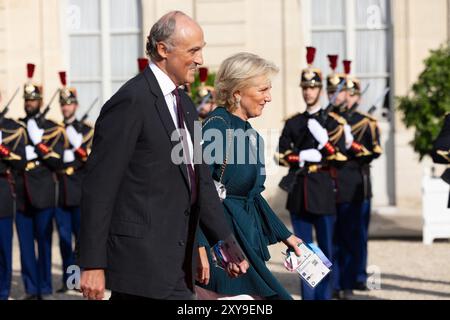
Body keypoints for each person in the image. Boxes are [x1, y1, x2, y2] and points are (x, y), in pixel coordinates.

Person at [78, 11, 248, 301]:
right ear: (162, 50)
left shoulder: (186, 104)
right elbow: (99, 187)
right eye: (193, 50)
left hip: (176, 262)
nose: (200, 59)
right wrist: (92, 263)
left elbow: (200, 182)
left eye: (201, 49)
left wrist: (225, 242)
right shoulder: (131, 100)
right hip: (139, 266)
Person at [195, 52, 302, 300]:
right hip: (222, 245)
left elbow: (252, 196)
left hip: (245, 237)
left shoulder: (250, 133)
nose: (269, 97)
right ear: (237, 92)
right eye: (263, 89)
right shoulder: (217, 126)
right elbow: (196, 191)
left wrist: (285, 235)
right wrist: (201, 247)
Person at [276, 47, 347, 300]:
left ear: (320, 90)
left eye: (313, 87)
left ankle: (325, 297)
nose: (308, 92)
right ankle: (309, 297)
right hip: (299, 191)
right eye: (305, 87)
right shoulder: (293, 122)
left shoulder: (333, 123)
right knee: (301, 250)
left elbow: (340, 156)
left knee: (326, 248)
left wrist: (324, 143)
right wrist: (302, 156)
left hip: (324, 190)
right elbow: (281, 155)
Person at [15, 63, 66, 300]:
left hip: (44, 190)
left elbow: (56, 162)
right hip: (22, 192)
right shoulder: (16, 127)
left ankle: (45, 287)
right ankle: (30, 288)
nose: (29, 103)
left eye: (33, 100)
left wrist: (38, 145)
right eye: (27, 100)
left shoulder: (52, 129)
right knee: (25, 246)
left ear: (40, 101)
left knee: (44, 243)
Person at [340, 67, 382, 291]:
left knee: (359, 232)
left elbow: (374, 151)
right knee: (341, 234)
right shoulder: (333, 120)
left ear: (358, 96)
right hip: (338, 182)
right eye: (345, 94)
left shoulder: (367, 122)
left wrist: (352, 145)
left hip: (359, 181)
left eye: (352, 94)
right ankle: (342, 277)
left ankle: (358, 274)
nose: (347, 98)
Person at [55, 72, 94, 293]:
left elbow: (92, 160)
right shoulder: (55, 131)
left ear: (76, 106)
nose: (66, 108)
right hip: (62, 194)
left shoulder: (86, 131)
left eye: (69, 104)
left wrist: (80, 152)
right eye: (63, 104)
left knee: (82, 241)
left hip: (80, 193)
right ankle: (69, 281)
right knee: (63, 240)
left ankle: (84, 280)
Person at [0, 91, 27, 300]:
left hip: (2, 192)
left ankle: (3, 291)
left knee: (3, 248)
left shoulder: (12, 128)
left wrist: (3, 149)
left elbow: (21, 162)